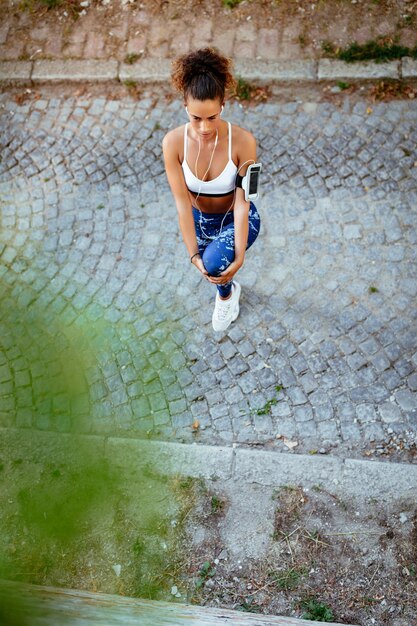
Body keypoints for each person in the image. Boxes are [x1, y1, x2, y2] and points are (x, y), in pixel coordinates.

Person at [162, 47, 261, 331]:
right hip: (199, 219)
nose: (204, 127)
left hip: (235, 216)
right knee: (208, 265)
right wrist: (192, 254)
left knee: (217, 263)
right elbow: (182, 203)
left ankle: (227, 297)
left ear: (222, 106)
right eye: (196, 118)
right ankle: (224, 283)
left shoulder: (244, 142)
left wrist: (240, 253)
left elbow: (244, 202)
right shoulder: (172, 144)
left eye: (212, 117)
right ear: (185, 108)